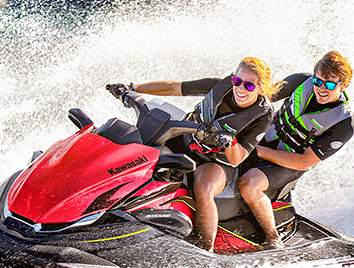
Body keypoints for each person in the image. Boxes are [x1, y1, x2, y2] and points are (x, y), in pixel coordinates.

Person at [106, 57, 274, 252]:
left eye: (249, 86)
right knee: (140, 149)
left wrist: (231, 141)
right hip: (186, 142)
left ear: (261, 89)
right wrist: (132, 88)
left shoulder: (262, 115)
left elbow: (238, 157)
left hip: (217, 162)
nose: (240, 89)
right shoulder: (219, 86)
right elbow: (174, 88)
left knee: (203, 187)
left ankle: (205, 248)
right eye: (237, 81)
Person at [238, 50, 354, 249]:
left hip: (289, 164)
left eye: (329, 84)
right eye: (318, 81)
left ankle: (273, 239)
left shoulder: (345, 122)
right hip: (262, 141)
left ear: (343, 85)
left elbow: (304, 161)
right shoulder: (300, 82)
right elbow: (258, 97)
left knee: (249, 184)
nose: (321, 88)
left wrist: (256, 151)